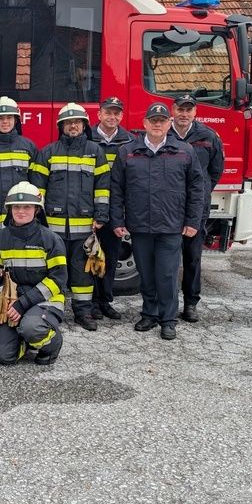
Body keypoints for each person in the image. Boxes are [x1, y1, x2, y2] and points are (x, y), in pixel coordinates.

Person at [110, 102, 206, 340]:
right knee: (146, 273)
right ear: (145, 124)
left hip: (170, 226)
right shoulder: (128, 152)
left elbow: (197, 188)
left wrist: (193, 221)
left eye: (162, 121)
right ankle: (149, 314)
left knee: (166, 274)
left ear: (168, 124)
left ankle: (168, 319)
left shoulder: (184, 151)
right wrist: (116, 220)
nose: (157, 124)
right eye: (153, 120)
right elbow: (116, 189)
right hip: (140, 226)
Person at [29, 103, 110, 331]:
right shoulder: (48, 152)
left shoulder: (96, 152)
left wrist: (101, 215)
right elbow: (38, 190)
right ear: (61, 126)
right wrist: (37, 222)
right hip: (52, 228)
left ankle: (83, 312)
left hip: (84, 226)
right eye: (68, 122)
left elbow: (102, 188)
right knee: (51, 270)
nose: (73, 126)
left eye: (77, 122)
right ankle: (48, 309)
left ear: (84, 125)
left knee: (82, 271)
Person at [0, 182, 67, 366]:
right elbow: (0, 275)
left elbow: (58, 280)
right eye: (16, 207)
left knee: (32, 328)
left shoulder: (50, 239)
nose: (21, 211)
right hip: (15, 302)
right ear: (9, 209)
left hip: (45, 301)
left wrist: (22, 304)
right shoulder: (0, 238)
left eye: (27, 207)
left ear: (37, 210)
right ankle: (24, 340)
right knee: (1, 355)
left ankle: (52, 345)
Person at [169, 94, 225, 323]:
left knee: (192, 257)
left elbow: (216, 170)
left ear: (195, 112)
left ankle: (191, 304)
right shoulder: (163, 133)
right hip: (169, 206)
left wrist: (200, 192)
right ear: (173, 110)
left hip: (195, 207)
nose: (184, 114)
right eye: (180, 109)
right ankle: (168, 303)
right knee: (167, 257)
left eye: (188, 110)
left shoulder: (208, 136)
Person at [88, 96, 134, 320]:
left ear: (121, 116)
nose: (112, 117)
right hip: (91, 208)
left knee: (111, 257)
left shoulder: (130, 142)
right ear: (99, 114)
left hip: (115, 209)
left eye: (117, 113)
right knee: (90, 258)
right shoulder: (87, 139)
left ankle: (105, 301)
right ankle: (91, 303)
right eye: (108, 112)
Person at [0, 96, 37, 235]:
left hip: (21, 220)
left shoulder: (28, 147)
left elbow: (36, 184)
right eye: (0, 118)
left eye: (9, 117)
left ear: (16, 120)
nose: (5, 122)